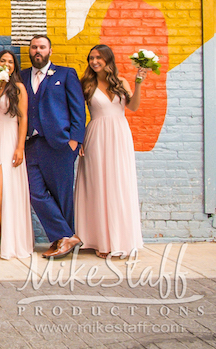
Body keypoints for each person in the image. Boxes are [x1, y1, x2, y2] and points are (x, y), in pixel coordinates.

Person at [75, 44, 147, 258]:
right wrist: (79, 141)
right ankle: (101, 240)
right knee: (98, 184)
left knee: (119, 184)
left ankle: (121, 238)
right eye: (91, 58)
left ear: (108, 59)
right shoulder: (86, 84)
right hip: (96, 134)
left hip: (120, 134)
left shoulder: (121, 82)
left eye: (98, 57)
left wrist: (138, 84)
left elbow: (133, 107)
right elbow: (78, 114)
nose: (94, 61)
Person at [20, 35, 86, 259]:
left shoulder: (66, 74)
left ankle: (61, 241)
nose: (37, 50)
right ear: (29, 51)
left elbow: (78, 108)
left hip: (60, 144)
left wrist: (75, 141)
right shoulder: (21, 76)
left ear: (50, 50)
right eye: (34, 47)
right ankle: (67, 236)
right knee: (34, 191)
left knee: (62, 194)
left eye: (42, 47)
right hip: (32, 143)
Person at [0, 50, 33, 259]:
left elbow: (23, 119)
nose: (6, 64)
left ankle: (10, 236)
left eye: (10, 62)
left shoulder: (18, 88)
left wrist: (20, 147)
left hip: (9, 139)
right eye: (2, 60)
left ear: (14, 66)